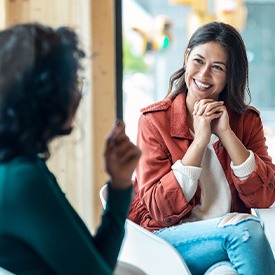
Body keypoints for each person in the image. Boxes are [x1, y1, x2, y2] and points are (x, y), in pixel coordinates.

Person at [128, 21, 275, 274]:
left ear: (231, 75)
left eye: (217, 67)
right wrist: (199, 142)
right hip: (168, 240)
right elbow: (160, 210)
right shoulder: (154, 121)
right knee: (247, 230)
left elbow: (265, 196)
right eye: (198, 61)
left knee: (225, 272)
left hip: (225, 245)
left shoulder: (246, 121)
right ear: (186, 57)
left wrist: (226, 133)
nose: (204, 75)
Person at [0, 23, 141, 274]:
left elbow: (96, 263)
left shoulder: (21, 165)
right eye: (74, 83)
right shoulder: (22, 181)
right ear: (46, 96)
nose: (78, 95)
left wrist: (120, 184)